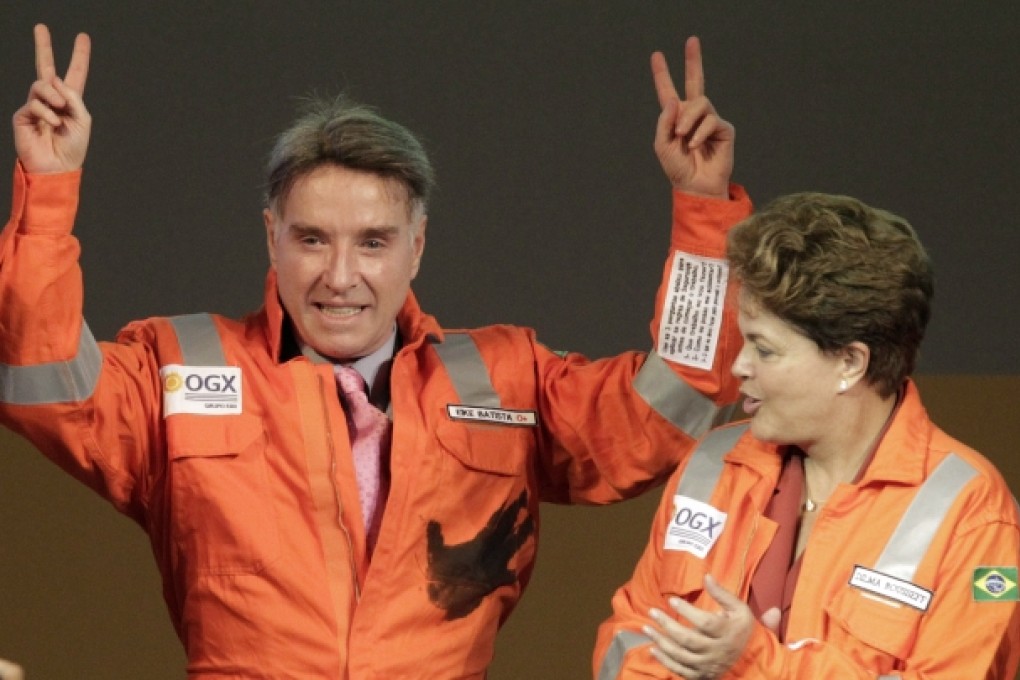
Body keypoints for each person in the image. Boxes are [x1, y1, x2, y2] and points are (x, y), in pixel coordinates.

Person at [0, 25, 753, 678]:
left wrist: (704, 209)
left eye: (373, 242)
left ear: (417, 247)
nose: (340, 277)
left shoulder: (506, 380)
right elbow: (43, 380)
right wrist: (53, 183)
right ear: (271, 237)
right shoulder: (180, 368)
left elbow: (665, 409)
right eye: (311, 239)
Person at [594, 192, 1020, 678]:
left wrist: (756, 665)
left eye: (765, 349)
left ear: (849, 362)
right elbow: (631, 633)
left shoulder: (975, 515)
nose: (740, 366)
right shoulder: (711, 462)